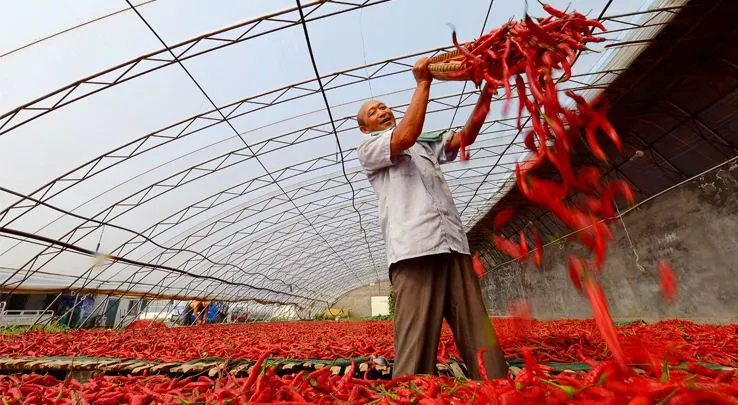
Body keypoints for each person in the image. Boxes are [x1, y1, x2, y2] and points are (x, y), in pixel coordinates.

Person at [355, 57, 508, 380]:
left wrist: (488, 92)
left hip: (454, 246)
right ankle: (411, 394)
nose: (382, 110)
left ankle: (497, 390)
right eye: (373, 111)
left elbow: (465, 137)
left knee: (480, 338)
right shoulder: (370, 149)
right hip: (415, 250)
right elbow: (406, 135)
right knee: (416, 346)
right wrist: (424, 83)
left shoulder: (424, 145)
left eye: (384, 106)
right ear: (364, 127)